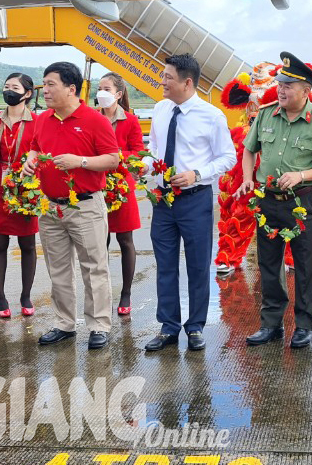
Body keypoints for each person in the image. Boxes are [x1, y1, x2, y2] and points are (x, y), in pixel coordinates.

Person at [235, 51, 312, 350]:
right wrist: (247, 177)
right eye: (280, 84)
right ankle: (270, 324)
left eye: (288, 86)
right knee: (269, 264)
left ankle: (304, 325)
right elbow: (249, 149)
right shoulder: (266, 114)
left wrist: (301, 175)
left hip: (302, 202)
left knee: (306, 265)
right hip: (268, 200)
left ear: (306, 91)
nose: (280, 90)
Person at [22, 62, 120, 350]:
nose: (45, 90)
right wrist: (30, 160)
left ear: (71, 88)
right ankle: (64, 323)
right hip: (51, 207)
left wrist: (81, 162)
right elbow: (35, 146)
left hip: (86, 206)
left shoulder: (95, 120)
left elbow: (113, 159)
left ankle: (99, 325)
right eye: (44, 84)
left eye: (51, 84)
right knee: (58, 269)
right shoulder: (43, 119)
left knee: (94, 268)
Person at [143, 54, 236, 352]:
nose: (162, 82)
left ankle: (195, 326)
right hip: (162, 200)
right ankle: (168, 327)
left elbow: (228, 157)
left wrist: (197, 173)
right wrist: (144, 166)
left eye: (168, 77)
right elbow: (155, 148)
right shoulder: (160, 109)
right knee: (165, 265)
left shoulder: (211, 116)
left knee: (197, 266)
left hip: (195, 200)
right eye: (163, 76)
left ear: (187, 82)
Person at [0, 73, 39, 319]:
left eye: (15, 88)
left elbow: (41, 155)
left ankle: (26, 296)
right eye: (6, 87)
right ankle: (1, 297)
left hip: (25, 189)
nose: (9, 91)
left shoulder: (37, 121)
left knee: (27, 244)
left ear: (27, 93)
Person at [96, 72, 144, 315]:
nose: (101, 93)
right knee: (99, 242)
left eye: (106, 89)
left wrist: (116, 157)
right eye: (99, 88)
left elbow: (138, 152)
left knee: (125, 240)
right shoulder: (92, 118)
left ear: (118, 94)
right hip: (97, 184)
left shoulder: (130, 121)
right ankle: (102, 292)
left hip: (122, 187)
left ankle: (126, 293)